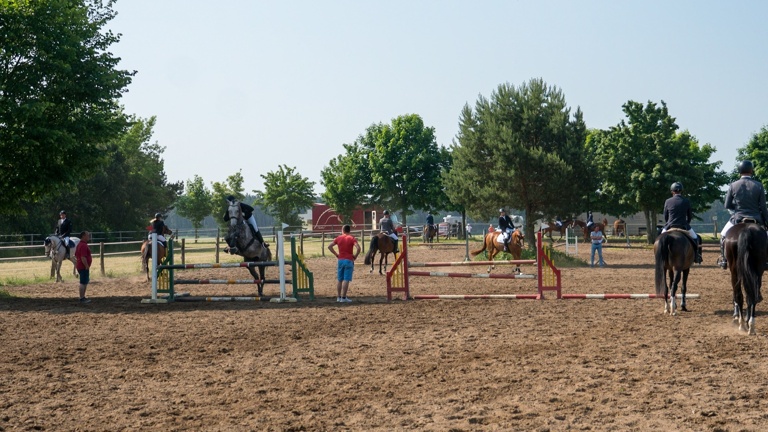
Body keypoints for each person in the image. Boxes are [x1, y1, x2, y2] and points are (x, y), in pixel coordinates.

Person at [718, 160, 768, 269]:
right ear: (751, 170)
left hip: (738, 218)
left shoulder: (733, 185)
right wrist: (766, 221)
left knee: (723, 236)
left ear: (739, 171)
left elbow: (727, 205)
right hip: (756, 219)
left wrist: (736, 210)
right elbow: (763, 207)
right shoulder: (759, 185)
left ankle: (724, 260)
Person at [661, 182, 702, 264]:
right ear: (681, 191)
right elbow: (689, 216)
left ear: (672, 191)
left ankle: (660, 256)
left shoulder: (668, 201)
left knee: (659, 239)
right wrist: (687, 223)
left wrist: (668, 224)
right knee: (696, 238)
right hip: (684, 225)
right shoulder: (686, 201)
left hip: (670, 225)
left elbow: (665, 215)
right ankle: (697, 256)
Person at [327, 224, 361, 303]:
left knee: (340, 279)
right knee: (346, 279)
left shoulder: (338, 238)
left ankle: (338, 297)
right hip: (348, 260)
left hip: (340, 260)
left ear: (343, 230)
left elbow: (329, 246)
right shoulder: (352, 238)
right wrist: (355, 256)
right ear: (349, 230)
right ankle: (344, 297)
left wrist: (336, 254)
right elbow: (358, 248)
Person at [75, 230, 92, 303]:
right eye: (87, 235)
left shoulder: (79, 244)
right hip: (83, 267)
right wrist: (86, 265)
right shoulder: (83, 245)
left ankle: (83, 297)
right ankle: (82, 298)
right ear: (83, 236)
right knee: (83, 282)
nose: (89, 236)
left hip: (80, 266)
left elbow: (76, 255)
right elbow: (83, 257)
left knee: (84, 282)